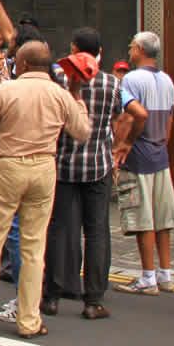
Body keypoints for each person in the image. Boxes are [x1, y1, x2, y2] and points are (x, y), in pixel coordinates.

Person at [0, 41, 90, 339]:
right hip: (44, 166)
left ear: (25, 65)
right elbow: (82, 132)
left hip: (8, 164)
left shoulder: (7, 90)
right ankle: (29, 320)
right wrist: (77, 96)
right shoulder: (60, 94)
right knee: (34, 247)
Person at [42, 28, 144, 320]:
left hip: (62, 163)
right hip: (98, 164)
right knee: (97, 231)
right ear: (99, 52)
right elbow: (138, 114)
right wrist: (125, 144)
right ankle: (93, 300)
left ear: (73, 49)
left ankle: (52, 296)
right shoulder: (112, 83)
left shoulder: (58, 79)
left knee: (59, 229)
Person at [112, 31, 174, 296]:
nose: (130, 50)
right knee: (163, 218)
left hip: (138, 153)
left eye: (132, 46)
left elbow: (131, 116)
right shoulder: (167, 81)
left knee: (144, 217)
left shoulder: (132, 78)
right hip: (160, 150)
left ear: (140, 49)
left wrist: (122, 144)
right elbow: (170, 119)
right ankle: (166, 274)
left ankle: (148, 276)